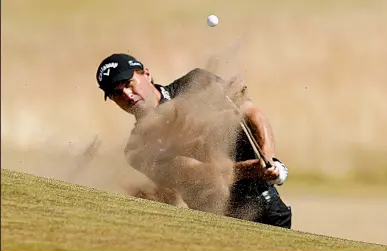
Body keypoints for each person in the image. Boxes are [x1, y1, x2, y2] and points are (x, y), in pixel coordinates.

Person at [95, 53, 292, 229]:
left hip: (265, 210)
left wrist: (268, 159)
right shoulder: (137, 149)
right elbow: (196, 173)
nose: (127, 95)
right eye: (116, 93)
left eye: (129, 83)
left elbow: (251, 112)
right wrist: (255, 168)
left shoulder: (197, 83)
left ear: (146, 74)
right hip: (211, 224)